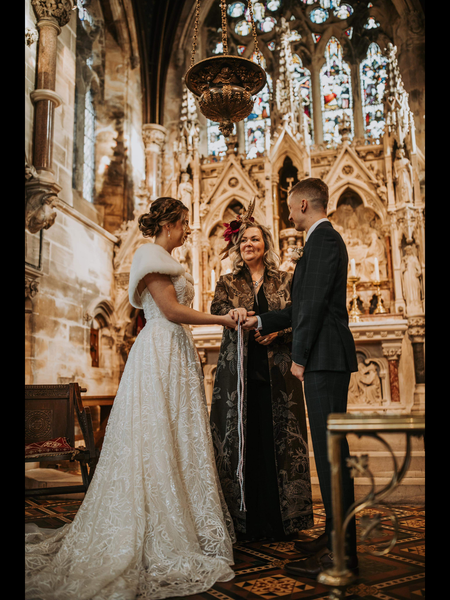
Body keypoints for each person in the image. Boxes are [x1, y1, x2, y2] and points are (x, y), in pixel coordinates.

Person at [25, 197, 238, 600]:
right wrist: (223, 320)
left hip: (174, 352)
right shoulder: (149, 256)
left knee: (175, 436)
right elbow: (172, 311)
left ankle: (183, 520)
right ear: (170, 224)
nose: (189, 229)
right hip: (159, 350)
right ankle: (158, 528)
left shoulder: (163, 256)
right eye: (185, 223)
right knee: (154, 436)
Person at [239, 178, 359, 578]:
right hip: (323, 357)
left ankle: (343, 555)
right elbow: (296, 309)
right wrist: (260, 318)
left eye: (290, 208)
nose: (288, 214)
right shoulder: (319, 241)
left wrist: (300, 358)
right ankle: (333, 536)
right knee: (328, 455)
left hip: (323, 358)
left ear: (304, 204)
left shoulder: (324, 241)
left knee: (331, 457)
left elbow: (311, 306)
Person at [209, 203, 314, 543]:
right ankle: (243, 521)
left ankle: (282, 521)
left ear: (265, 244)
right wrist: (234, 312)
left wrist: (276, 332)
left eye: (254, 239)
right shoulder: (227, 282)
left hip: (277, 376)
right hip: (238, 377)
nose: (248, 245)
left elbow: (298, 317)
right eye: (243, 241)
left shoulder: (285, 279)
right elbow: (218, 310)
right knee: (243, 444)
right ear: (237, 248)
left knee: (278, 445)